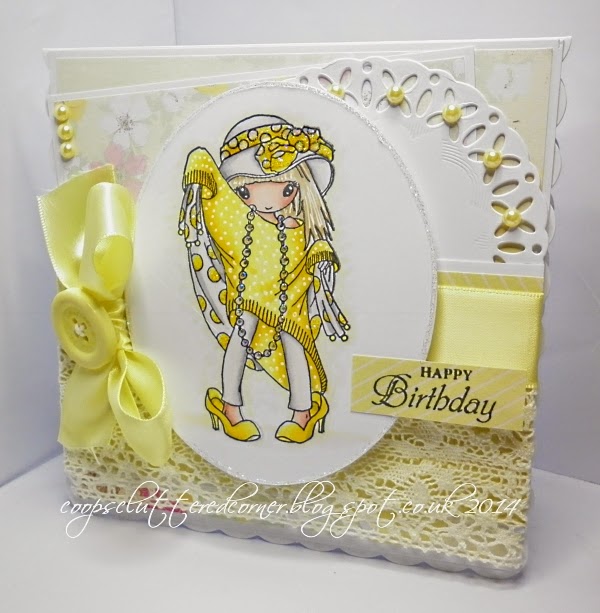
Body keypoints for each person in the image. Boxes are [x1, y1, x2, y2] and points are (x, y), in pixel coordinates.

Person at [179, 114, 349, 444]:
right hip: (250, 297)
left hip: (290, 302)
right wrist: (198, 173)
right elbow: (208, 181)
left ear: (299, 187)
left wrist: (320, 256)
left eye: (286, 188)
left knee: (294, 344)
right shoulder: (239, 221)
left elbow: (310, 255)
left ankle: (304, 413)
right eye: (246, 191)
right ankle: (229, 408)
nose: (266, 200)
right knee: (240, 340)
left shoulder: (301, 227)